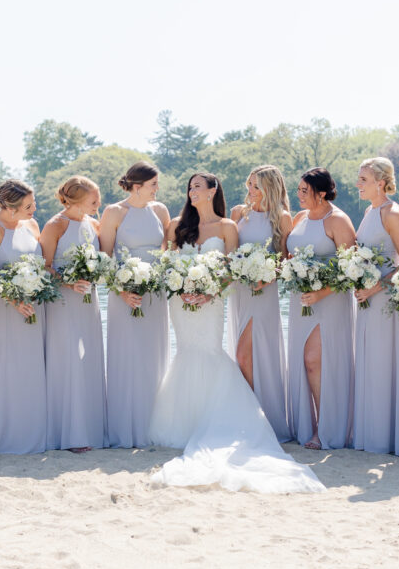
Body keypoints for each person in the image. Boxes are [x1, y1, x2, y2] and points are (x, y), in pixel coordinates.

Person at [149, 173, 324, 493]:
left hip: (217, 298)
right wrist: (180, 285)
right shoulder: (182, 224)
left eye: (198, 186)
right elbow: (167, 261)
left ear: (214, 190)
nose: (191, 191)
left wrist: (210, 291)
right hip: (183, 300)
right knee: (189, 352)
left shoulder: (231, 225)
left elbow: (232, 266)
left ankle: (247, 418)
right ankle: (188, 421)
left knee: (221, 352)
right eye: (190, 187)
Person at [98, 162, 170, 448]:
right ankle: (125, 428)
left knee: (153, 354)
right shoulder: (114, 212)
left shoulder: (161, 210)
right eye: (154, 184)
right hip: (123, 294)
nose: (157, 189)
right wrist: (122, 290)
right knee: (128, 355)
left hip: (156, 292)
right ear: (137, 186)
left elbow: (167, 252)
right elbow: (105, 259)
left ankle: (155, 424)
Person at [0, 179, 47, 457]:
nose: (34, 208)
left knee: (29, 368)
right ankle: (3, 436)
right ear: (8, 206)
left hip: (32, 307)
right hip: (1, 310)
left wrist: (35, 289)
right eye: (28, 205)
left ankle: (31, 432)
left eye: (34, 202)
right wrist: (14, 299)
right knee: (2, 368)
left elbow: (40, 265)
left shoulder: (33, 225)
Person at [351, 158, 399, 455]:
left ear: (380, 182)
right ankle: (371, 434)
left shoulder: (392, 213)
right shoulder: (369, 211)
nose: (358, 184)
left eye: (363, 179)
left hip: (385, 300)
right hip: (366, 298)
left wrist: (375, 287)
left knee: (384, 363)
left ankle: (389, 437)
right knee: (369, 363)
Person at [286, 168, 356, 450]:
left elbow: (352, 269)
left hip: (329, 301)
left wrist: (321, 292)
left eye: (305, 190)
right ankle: (310, 426)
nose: (299, 195)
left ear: (322, 193)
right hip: (300, 299)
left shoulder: (337, 220)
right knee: (304, 363)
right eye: (299, 189)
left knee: (316, 361)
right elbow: (290, 255)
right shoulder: (299, 218)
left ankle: (327, 428)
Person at [39, 176, 106, 453]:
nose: (98, 204)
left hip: (88, 300)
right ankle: (68, 435)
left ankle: (90, 430)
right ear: (76, 200)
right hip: (62, 300)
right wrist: (68, 282)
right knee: (68, 360)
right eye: (93, 200)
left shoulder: (93, 224)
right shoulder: (55, 225)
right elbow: (43, 266)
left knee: (89, 359)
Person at [228, 165, 293, 442]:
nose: (250, 191)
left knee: (247, 354)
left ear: (270, 188)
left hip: (262, 292)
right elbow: (228, 254)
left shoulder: (282, 218)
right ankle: (247, 415)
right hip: (239, 291)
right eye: (249, 185)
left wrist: (266, 279)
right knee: (242, 354)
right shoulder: (237, 214)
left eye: (256, 186)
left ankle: (256, 417)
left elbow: (284, 260)